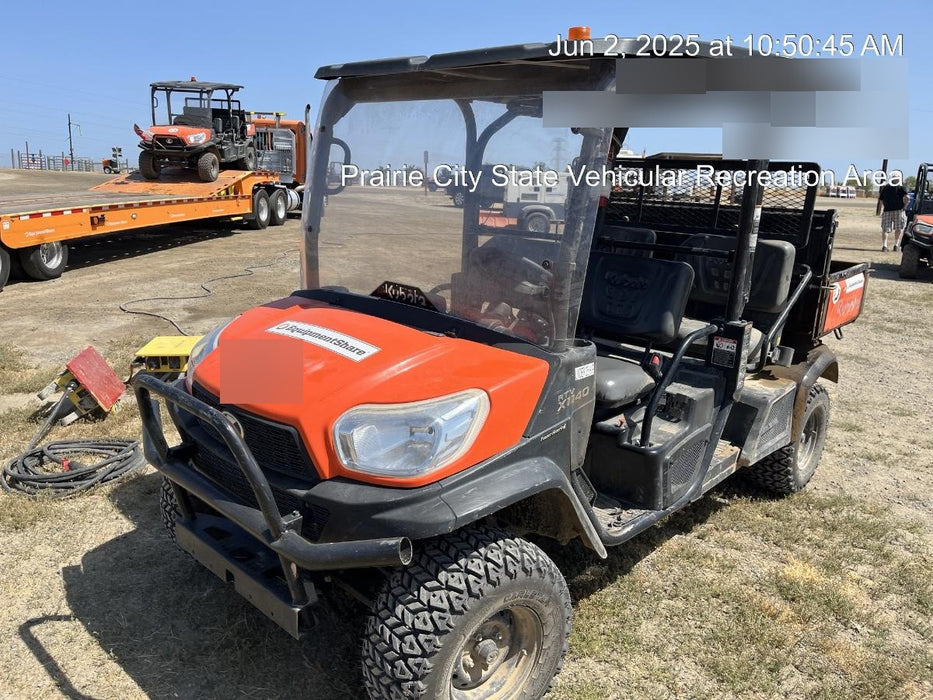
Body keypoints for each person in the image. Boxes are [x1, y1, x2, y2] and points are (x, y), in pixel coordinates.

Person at [878, 177, 909, 252]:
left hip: (887, 210)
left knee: (885, 229)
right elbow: (907, 197)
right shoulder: (902, 187)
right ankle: (896, 245)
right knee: (898, 228)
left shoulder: (886, 187)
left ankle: (884, 246)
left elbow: (881, 199)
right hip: (899, 210)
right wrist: (905, 207)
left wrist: (884, 207)